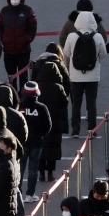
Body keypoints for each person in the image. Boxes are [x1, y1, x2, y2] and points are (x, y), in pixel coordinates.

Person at [62, 10, 107, 138]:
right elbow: (103, 53)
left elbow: (66, 53)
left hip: (75, 75)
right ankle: (92, 129)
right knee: (91, 103)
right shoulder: (97, 36)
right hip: (93, 75)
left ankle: (75, 130)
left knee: (76, 103)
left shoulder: (72, 36)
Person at [31, 45, 69, 181]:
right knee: (54, 148)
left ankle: (41, 172)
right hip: (55, 120)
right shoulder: (58, 87)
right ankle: (51, 172)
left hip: (40, 121)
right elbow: (65, 102)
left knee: (41, 147)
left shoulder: (37, 87)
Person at [0, 0, 37, 85]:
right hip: (8, 50)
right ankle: (13, 96)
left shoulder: (28, 11)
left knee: (23, 75)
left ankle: (23, 97)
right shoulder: (4, 11)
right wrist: (2, 38)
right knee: (11, 76)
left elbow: (33, 26)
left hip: (23, 50)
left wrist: (27, 38)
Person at [20, 82, 52, 200]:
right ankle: (30, 194)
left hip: (21, 143)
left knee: (20, 168)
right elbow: (48, 126)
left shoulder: (19, 107)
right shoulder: (41, 108)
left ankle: (17, 193)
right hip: (36, 143)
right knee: (33, 169)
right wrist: (40, 136)